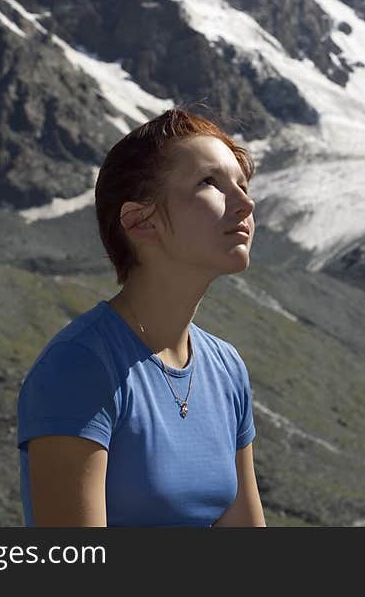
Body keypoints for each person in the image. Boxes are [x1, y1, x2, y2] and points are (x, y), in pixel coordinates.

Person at [16, 107, 266, 527]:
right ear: (139, 221)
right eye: (210, 183)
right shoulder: (79, 367)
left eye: (242, 185)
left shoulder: (226, 368)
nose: (245, 203)